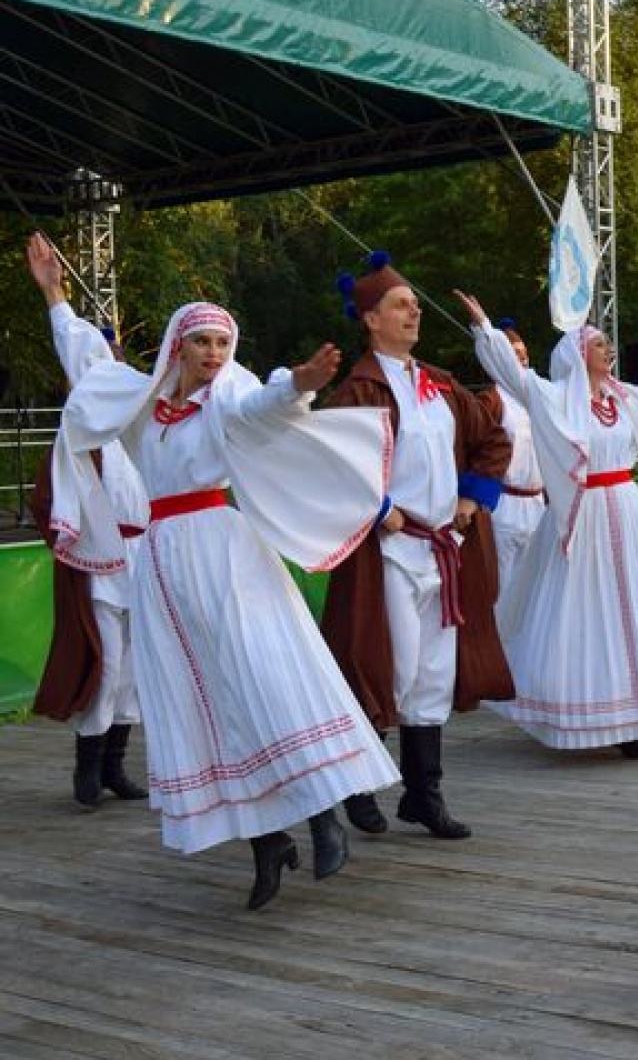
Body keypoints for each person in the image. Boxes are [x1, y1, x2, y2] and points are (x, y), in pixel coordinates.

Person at [49, 288, 400, 910]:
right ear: (176, 348)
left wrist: (297, 383)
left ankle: (321, 813)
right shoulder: (143, 405)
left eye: (221, 343)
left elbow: (261, 409)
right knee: (200, 695)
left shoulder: (225, 401)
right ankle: (266, 841)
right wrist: (54, 298)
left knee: (264, 677)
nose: (213, 353)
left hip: (221, 551)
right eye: (202, 343)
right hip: (161, 561)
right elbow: (88, 366)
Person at [457, 294, 638, 758]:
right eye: (600, 344)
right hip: (583, 516)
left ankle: (633, 717)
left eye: (606, 344)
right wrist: (485, 328)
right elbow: (515, 377)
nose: (609, 350)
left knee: (634, 609)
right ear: (578, 353)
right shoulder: (558, 398)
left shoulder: (627, 400)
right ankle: (581, 711)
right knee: (583, 609)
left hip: (626, 509)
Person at [320, 253, 515, 841]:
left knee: (433, 672)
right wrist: (381, 510)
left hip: (443, 549)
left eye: (415, 305)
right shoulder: (357, 390)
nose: (415, 312)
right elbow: (330, 465)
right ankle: (357, 785)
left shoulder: (440, 384)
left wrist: (472, 500)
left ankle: (423, 797)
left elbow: (493, 440)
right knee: (387, 667)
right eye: (401, 305)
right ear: (370, 319)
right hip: (388, 554)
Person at [27, 234, 150, 809]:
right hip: (102, 561)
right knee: (107, 665)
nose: (113, 367)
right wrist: (55, 295)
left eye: (118, 359)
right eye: (104, 362)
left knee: (133, 673)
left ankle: (115, 767)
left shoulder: (141, 423)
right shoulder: (79, 432)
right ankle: (87, 762)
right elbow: (77, 351)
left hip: (142, 558)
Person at [475, 318, 547, 632]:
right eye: (514, 354)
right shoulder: (491, 401)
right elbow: (477, 449)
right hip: (505, 503)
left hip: (538, 504)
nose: (522, 360)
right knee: (503, 585)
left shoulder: (538, 398)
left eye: (524, 354)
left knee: (538, 585)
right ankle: (500, 656)